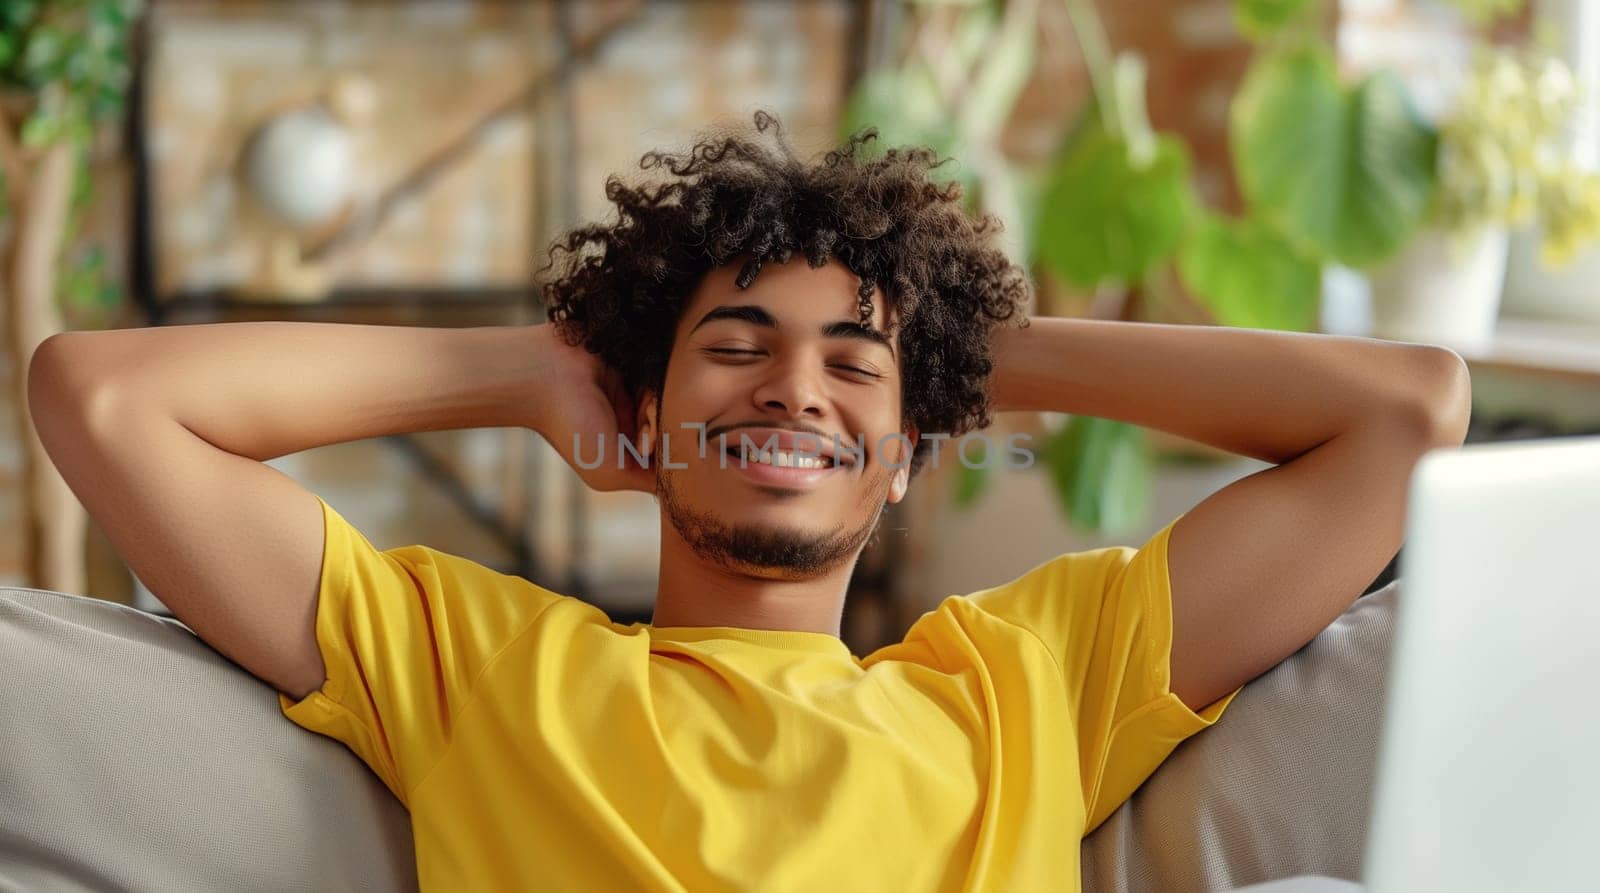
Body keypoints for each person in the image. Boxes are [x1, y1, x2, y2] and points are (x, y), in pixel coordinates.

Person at [27, 110, 1471, 891]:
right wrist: (533, 368)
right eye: (734, 347)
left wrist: (960, 347)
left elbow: (1407, 415)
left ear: (913, 451)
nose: (794, 388)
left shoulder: (1024, 680)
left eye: (850, 368)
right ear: (642, 419)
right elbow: (99, 397)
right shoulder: (471, 661)